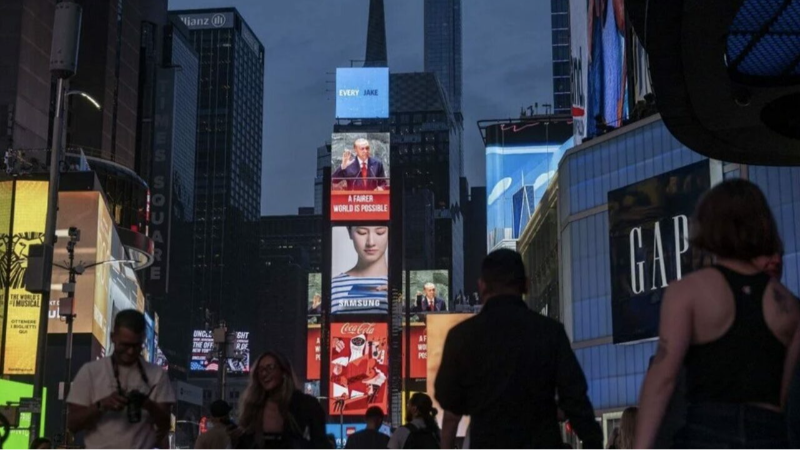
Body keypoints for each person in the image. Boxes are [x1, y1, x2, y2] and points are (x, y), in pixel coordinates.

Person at [635, 179, 800, 450]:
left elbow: (663, 378)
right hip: (769, 434)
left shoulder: (687, 292)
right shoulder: (790, 307)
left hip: (705, 431)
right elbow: (783, 399)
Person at [435, 249, 603, 450]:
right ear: (526, 285)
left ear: (481, 287)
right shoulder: (550, 332)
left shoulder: (461, 336)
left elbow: (448, 398)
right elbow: (575, 398)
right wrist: (592, 440)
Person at [67, 309, 175, 450]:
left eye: (136, 346)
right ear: (113, 337)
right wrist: (102, 405)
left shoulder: (157, 376)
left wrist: (148, 404)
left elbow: (165, 425)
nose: (130, 351)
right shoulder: (90, 372)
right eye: (125, 345)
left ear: (143, 340)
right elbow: (72, 424)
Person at [233, 351, 330, 450]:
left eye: (270, 367)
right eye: (260, 370)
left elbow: (320, 443)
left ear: (283, 372)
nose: (264, 373)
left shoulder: (306, 405)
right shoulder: (253, 406)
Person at [331, 226, 389, 314]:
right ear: (349, 232)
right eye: (362, 232)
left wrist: (398, 304)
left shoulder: (402, 285)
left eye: (380, 232)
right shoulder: (333, 287)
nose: (371, 242)